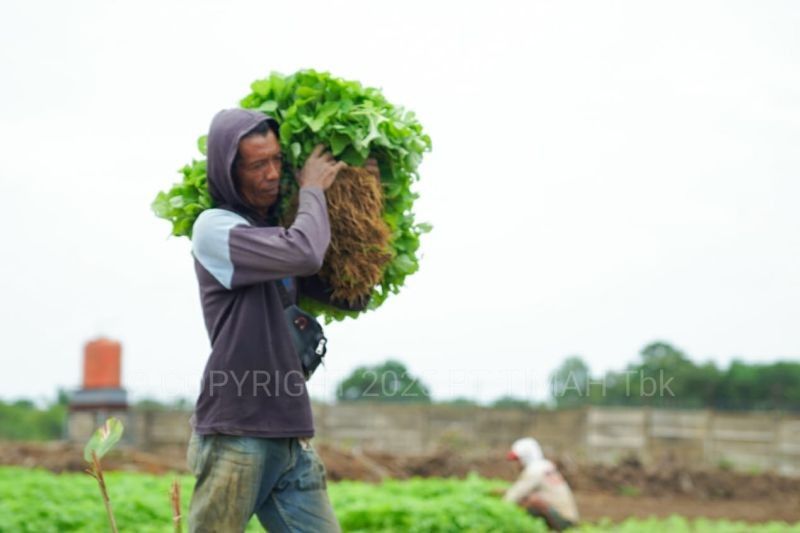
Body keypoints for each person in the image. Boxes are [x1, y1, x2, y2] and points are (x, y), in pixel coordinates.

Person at [186, 108, 366, 532]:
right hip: (237, 429)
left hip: (289, 433)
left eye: (277, 161)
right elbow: (304, 252)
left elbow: (350, 292)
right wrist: (313, 190)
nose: (271, 174)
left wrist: (361, 192)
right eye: (256, 165)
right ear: (229, 172)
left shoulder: (275, 232)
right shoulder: (215, 229)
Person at [504, 437, 580, 531]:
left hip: (564, 521)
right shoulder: (545, 465)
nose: (516, 464)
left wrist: (501, 508)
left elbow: (512, 496)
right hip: (569, 517)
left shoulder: (534, 470)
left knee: (532, 502)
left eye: (518, 460)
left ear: (525, 458)